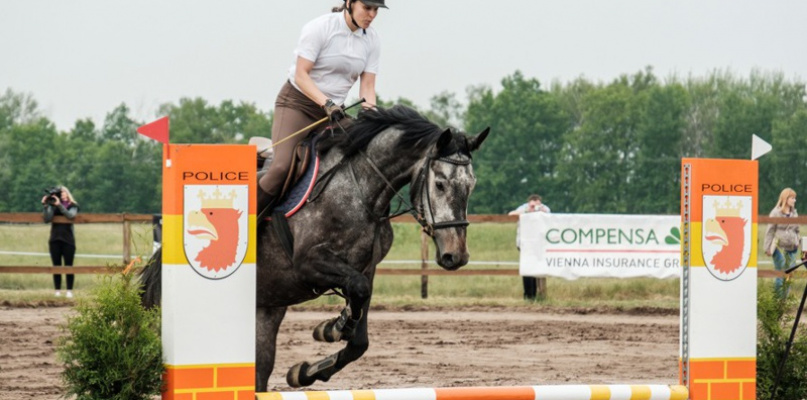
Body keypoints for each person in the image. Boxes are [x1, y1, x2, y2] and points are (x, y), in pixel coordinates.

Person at [257, 0, 387, 218]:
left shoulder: (372, 40)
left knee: (365, 156)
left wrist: (372, 120)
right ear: (349, 3)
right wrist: (326, 103)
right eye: (367, 7)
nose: (372, 14)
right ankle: (246, 226)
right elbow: (301, 74)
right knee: (281, 167)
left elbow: (368, 88)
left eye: (376, 10)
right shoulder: (320, 28)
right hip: (297, 104)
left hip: (333, 114)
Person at [509, 194, 551, 300]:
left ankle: (538, 294)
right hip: (525, 243)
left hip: (539, 244)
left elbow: (550, 217)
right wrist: (528, 211)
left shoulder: (544, 208)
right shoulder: (523, 208)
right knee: (527, 269)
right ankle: (529, 295)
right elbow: (511, 215)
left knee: (537, 268)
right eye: (533, 204)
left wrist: (540, 211)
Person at [41, 186, 80, 298]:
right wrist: (46, 205)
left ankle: (69, 290)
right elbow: (47, 219)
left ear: (68, 194)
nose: (62, 195)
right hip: (55, 239)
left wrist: (59, 205)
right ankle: (57, 290)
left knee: (69, 265)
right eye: (60, 193)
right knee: (56, 265)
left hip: (68, 240)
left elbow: (70, 215)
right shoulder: (53, 206)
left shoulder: (73, 206)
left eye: (63, 193)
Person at [764, 187, 800, 297]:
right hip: (779, 247)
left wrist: (797, 240)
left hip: (792, 248)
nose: (794, 200)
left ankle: (784, 301)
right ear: (785, 198)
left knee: (789, 275)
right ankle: (777, 300)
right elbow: (770, 230)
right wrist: (767, 247)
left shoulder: (795, 213)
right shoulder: (775, 213)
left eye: (795, 198)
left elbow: (797, 230)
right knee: (780, 272)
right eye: (792, 198)